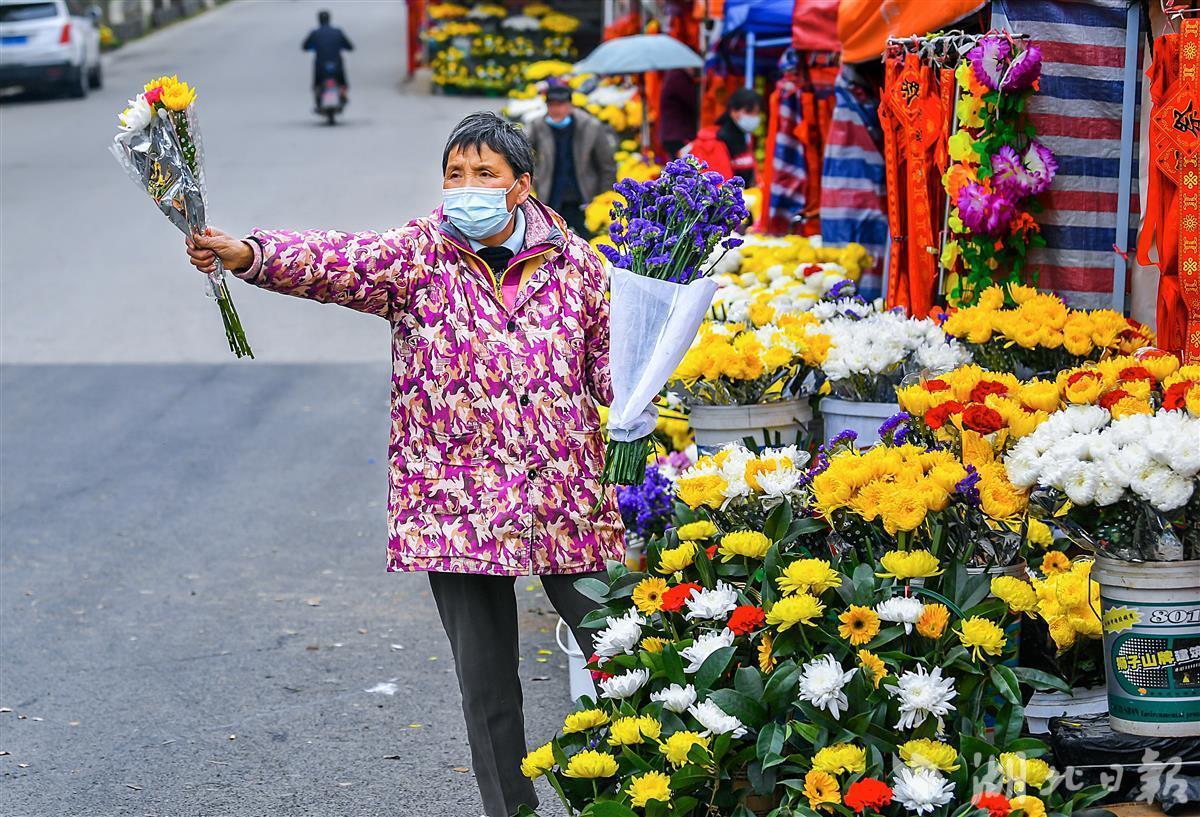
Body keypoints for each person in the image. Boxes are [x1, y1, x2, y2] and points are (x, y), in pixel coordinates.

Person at [184, 112, 622, 817]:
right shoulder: (417, 256)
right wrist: (248, 254)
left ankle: (631, 794)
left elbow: (613, 378)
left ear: (521, 187)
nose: (466, 188)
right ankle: (512, 810)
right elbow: (336, 260)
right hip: (457, 506)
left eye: (484, 174)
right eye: (455, 174)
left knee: (623, 647)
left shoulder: (582, 270)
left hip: (563, 494)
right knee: (487, 686)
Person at [524, 84, 617, 237]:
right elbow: (522, 153)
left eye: (560, 105)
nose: (555, 110)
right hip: (551, 196)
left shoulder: (590, 126)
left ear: (570, 106)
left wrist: (604, 198)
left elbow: (607, 165)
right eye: (551, 105)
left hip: (584, 197)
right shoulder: (538, 126)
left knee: (589, 241)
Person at [683, 86, 762, 185]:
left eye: (757, 113)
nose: (754, 117)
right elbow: (720, 185)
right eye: (749, 111)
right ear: (733, 111)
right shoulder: (714, 142)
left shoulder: (744, 139)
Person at [302, 9, 353, 108]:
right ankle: (343, 94)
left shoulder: (315, 33)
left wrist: (313, 47)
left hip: (320, 65)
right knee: (342, 81)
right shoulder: (338, 32)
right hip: (337, 64)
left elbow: (305, 46)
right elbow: (350, 46)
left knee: (317, 83)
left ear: (319, 20)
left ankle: (318, 96)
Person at [658, 67, 699, 158]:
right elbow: (695, 101)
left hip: (672, 134)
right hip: (678, 134)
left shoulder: (673, 75)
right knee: (683, 167)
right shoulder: (678, 77)